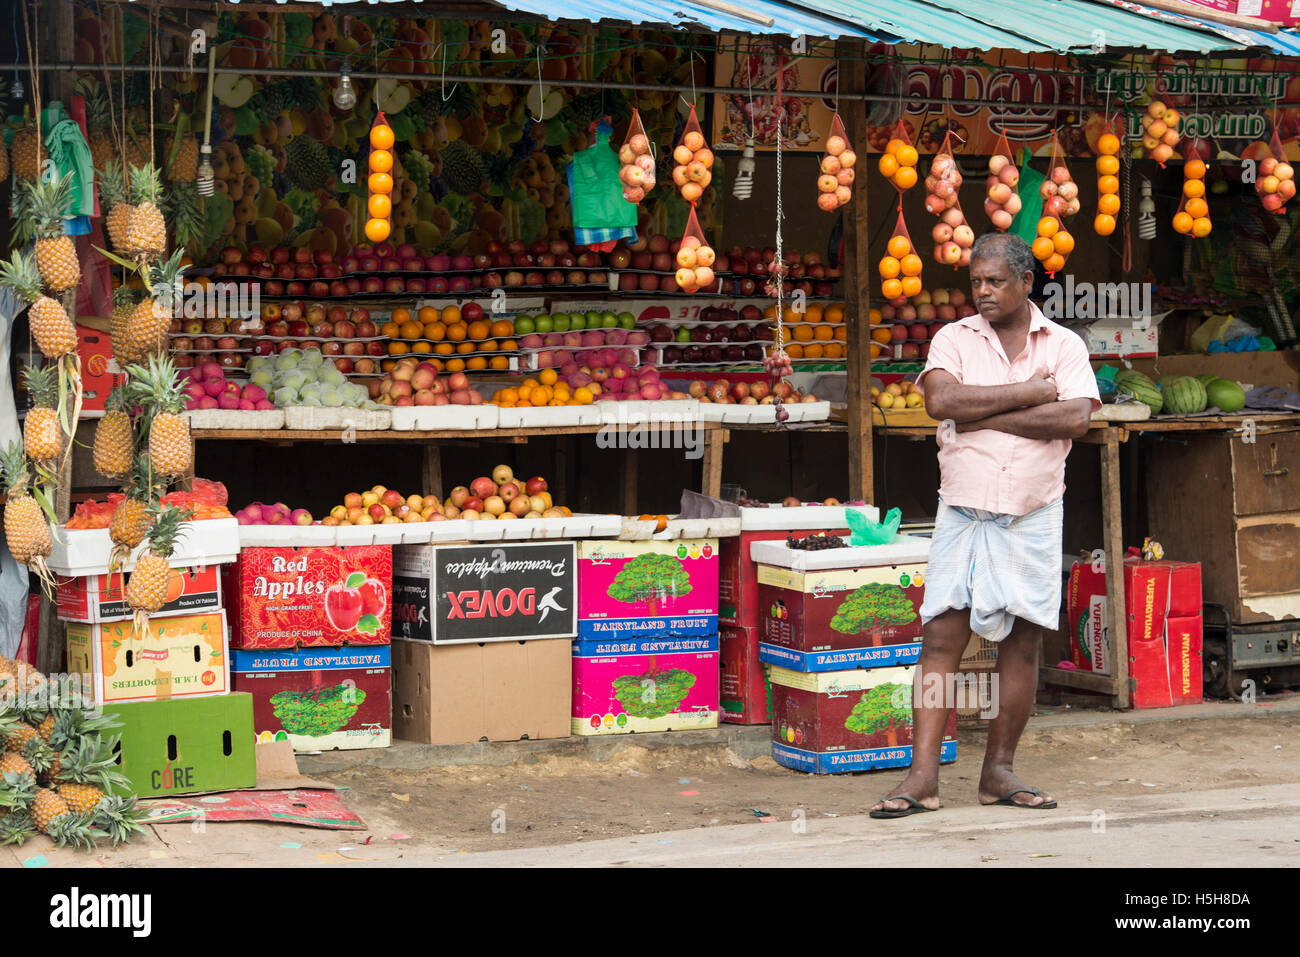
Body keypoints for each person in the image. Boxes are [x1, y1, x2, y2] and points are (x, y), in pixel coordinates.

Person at [870, 232, 1100, 818]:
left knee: (1022, 644)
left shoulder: (1066, 345)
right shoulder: (953, 337)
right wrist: (1027, 396)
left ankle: (998, 772)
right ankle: (921, 777)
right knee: (941, 638)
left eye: (996, 281)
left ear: (1027, 283)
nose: (984, 291)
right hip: (964, 509)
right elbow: (943, 404)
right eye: (976, 282)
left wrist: (985, 413)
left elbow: (1074, 418)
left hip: (1033, 511)